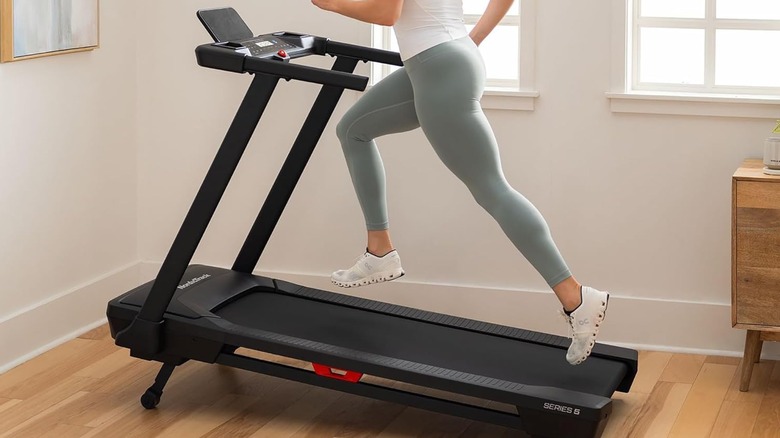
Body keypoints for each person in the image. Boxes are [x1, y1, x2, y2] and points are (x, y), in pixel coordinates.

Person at [311, 0, 609, 365]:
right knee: (353, 130)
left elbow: (387, 13)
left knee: (492, 190)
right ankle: (380, 252)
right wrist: (470, 40)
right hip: (441, 60)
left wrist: (330, 4)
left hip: (438, 65)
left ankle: (576, 297)